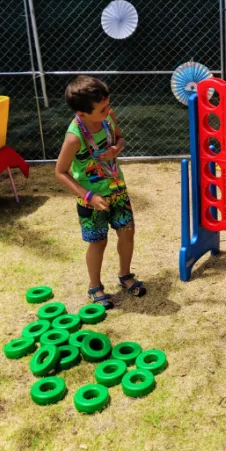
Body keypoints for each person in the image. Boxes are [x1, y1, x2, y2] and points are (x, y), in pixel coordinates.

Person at [55, 75, 146, 308]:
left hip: (118, 190)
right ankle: (94, 286)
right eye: (102, 108)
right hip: (91, 200)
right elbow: (60, 172)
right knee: (98, 242)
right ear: (83, 114)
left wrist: (116, 148)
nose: (108, 110)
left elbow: (120, 138)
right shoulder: (74, 138)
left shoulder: (108, 118)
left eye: (108, 104)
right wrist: (89, 196)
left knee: (127, 233)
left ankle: (125, 275)